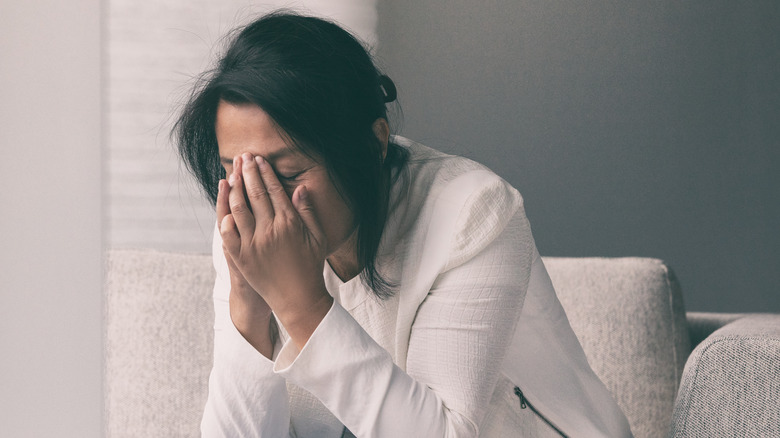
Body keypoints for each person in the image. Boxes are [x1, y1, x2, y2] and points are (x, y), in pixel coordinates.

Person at [173, 11, 633, 438]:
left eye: (288, 173)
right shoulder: (245, 219)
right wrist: (249, 308)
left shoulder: (472, 212)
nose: (260, 198)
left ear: (373, 144)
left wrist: (301, 305)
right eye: (238, 171)